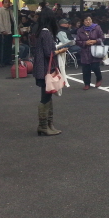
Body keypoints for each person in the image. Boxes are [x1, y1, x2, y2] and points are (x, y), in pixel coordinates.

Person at [33, 8, 68, 136]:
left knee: (47, 96)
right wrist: (60, 51)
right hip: (45, 69)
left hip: (40, 68)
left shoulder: (40, 32)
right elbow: (49, 53)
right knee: (46, 97)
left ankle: (47, 125)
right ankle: (44, 126)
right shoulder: (46, 33)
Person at [76, 15, 105, 90]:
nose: (88, 21)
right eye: (86, 20)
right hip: (84, 51)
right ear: (83, 21)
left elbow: (102, 38)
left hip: (95, 50)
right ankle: (87, 84)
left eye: (89, 20)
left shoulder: (97, 27)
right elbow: (77, 41)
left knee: (95, 67)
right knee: (85, 69)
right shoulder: (80, 30)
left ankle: (99, 78)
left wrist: (95, 41)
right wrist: (85, 43)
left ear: (92, 20)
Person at [0, 0, 15, 67]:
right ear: (2, 3)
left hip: (9, 31)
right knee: (1, 47)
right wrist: (2, 30)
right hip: (1, 33)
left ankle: (7, 60)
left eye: (8, 2)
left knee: (8, 47)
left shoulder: (10, 11)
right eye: (5, 2)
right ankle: (1, 61)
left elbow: (13, 20)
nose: (7, 4)